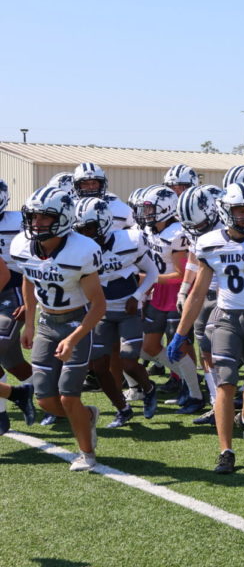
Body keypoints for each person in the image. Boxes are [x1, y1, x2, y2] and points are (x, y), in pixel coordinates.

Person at [169, 182, 244, 474]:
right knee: (225, 384)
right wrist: (180, 333)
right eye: (241, 210)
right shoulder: (209, 243)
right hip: (225, 319)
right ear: (226, 211)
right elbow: (197, 294)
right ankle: (226, 450)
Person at [12, 186, 106, 471]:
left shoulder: (82, 250)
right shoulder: (22, 246)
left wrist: (75, 337)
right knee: (46, 401)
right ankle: (88, 415)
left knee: (68, 396)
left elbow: (98, 305)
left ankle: (86, 454)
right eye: (33, 217)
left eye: (44, 217)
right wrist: (28, 323)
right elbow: (29, 278)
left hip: (75, 321)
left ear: (63, 218)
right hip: (45, 324)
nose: (36, 223)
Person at [73, 197, 159, 428]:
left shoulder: (130, 240)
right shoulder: (77, 247)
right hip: (99, 312)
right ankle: (123, 408)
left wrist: (136, 296)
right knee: (99, 367)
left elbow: (152, 272)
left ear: (103, 223)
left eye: (88, 228)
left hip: (127, 308)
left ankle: (150, 389)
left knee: (129, 361)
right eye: (79, 229)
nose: (84, 233)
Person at [139, 185, 203, 413]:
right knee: (149, 346)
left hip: (175, 293)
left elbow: (180, 274)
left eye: (150, 209)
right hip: (157, 293)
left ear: (166, 209)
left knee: (182, 345)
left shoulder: (177, 233)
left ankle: (192, 389)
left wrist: (147, 279)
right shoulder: (151, 231)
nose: (146, 214)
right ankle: (189, 378)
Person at [174, 185, 224, 426]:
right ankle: (217, 405)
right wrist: (185, 288)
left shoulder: (227, 225)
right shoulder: (194, 226)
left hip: (229, 295)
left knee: (232, 353)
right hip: (204, 293)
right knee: (206, 351)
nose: (196, 230)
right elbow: (193, 257)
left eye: (200, 225)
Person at [0, 178, 36, 431]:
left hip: (14, 290)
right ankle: (49, 397)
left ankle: (2, 416)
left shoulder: (19, 222)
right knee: (12, 362)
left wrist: (30, 306)